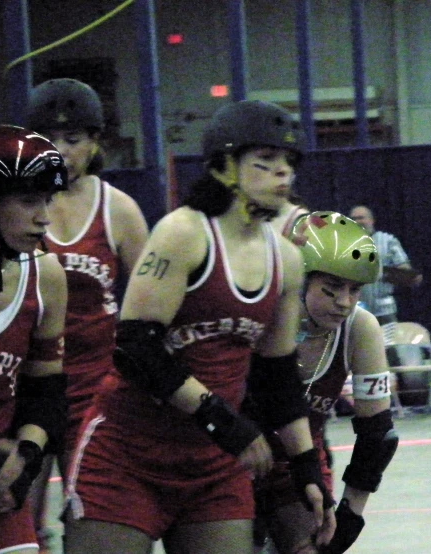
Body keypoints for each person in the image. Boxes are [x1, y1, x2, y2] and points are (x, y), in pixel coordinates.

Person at [62, 100, 335, 554]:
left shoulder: (285, 259)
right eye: (264, 163)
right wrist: (222, 420)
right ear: (223, 168)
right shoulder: (184, 233)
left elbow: (278, 376)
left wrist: (307, 469)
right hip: (128, 453)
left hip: (214, 463)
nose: (282, 174)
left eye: (288, 163)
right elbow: (134, 348)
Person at [23, 77, 150, 550]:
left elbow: (151, 311)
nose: (59, 152)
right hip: (25, 388)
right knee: (18, 525)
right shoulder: (12, 208)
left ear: (96, 142)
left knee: (92, 525)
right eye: (48, 141)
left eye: (72, 140)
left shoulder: (119, 209)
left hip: (97, 393)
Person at [251, 211, 398, 554]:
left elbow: (377, 435)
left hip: (298, 468)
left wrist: (351, 514)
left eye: (355, 290)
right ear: (299, 281)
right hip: (236, 459)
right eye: (331, 290)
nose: (345, 303)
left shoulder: (360, 329)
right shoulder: (262, 316)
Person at [0, 124, 68, 553]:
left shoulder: (47, 277)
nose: (44, 216)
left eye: (47, 200)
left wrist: (25, 459)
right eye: (28, 201)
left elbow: (46, 391)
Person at [348, 205, 422, 341]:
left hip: (384, 310)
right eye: (353, 219)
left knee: (390, 351)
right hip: (355, 310)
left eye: (361, 218)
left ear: (371, 220)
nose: (357, 221)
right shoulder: (344, 243)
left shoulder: (388, 240)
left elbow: (404, 268)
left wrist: (404, 276)